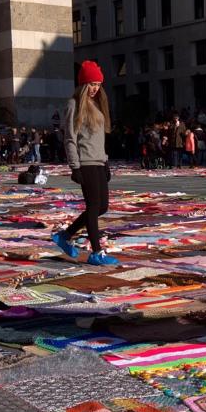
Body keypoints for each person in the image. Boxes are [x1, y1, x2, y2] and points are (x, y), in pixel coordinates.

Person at [53, 60, 119, 266]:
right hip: (86, 163)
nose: (94, 88)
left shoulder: (98, 105)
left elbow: (99, 139)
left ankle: (65, 235)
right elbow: (70, 138)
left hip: (99, 161)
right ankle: (96, 253)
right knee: (93, 207)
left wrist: (106, 162)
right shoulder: (74, 105)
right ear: (83, 84)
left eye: (98, 84)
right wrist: (75, 166)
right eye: (91, 84)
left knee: (102, 207)